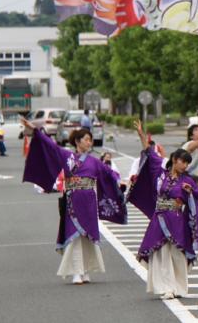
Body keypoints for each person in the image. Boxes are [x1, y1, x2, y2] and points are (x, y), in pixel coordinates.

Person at [21, 118, 127, 284]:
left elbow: (109, 174)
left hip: (89, 202)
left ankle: (86, 271)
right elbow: (51, 146)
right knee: (75, 236)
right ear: (77, 142)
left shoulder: (95, 162)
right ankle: (76, 272)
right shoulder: (67, 156)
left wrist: (121, 182)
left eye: (90, 140)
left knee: (88, 237)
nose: (89, 142)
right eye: (86, 139)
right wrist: (35, 130)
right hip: (73, 201)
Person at [129, 123, 198, 299]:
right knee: (161, 253)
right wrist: (141, 135)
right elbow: (150, 153)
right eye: (183, 161)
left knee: (176, 254)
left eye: (187, 163)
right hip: (159, 218)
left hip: (177, 220)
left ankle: (178, 287)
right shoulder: (160, 172)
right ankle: (166, 288)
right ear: (174, 160)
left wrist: (191, 191)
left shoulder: (188, 180)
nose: (185, 165)